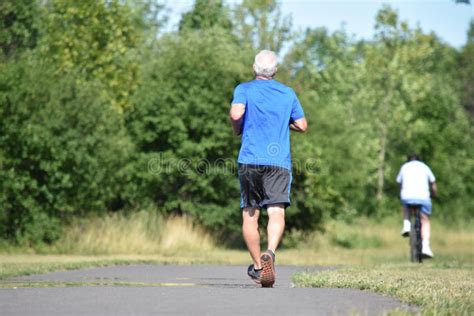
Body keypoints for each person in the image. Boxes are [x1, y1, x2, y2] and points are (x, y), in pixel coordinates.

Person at [229, 50, 307, 287]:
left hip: (251, 159)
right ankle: (270, 252)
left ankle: (258, 266)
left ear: (254, 68)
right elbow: (302, 125)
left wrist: (237, 127)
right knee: (276, 211)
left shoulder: (244, 89)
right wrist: (285, 123)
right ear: (275, 71)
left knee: (250, 213)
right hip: (278, 161)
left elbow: (236, 113)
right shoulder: (287, 93)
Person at [396, 153, 437, 258]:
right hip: (423, 197)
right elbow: (433, 183)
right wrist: (434, 194)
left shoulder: (404, 167)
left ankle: (406, 225)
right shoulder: (425, 167)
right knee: (425, 220)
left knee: (405, 205)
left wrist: (400, 193)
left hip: (407, 196)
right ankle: (426, 246)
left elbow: (399, 183)